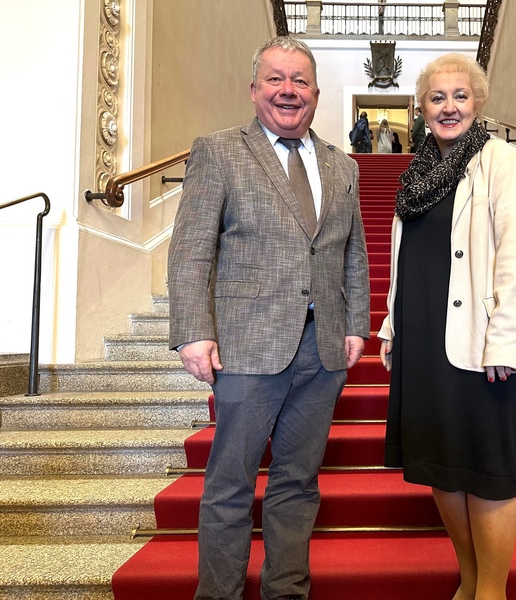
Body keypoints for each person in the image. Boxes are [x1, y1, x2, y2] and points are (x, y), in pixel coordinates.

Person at [168, 36, 370, 600]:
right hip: (246, 347)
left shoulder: (342, 164)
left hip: (323, 351)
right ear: (255, 89)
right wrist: (193, 330)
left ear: (316, 93)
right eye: (276, 79)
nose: (288, 91)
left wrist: (356, 323)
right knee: (230, 484)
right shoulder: (218, 152)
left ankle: (287, 591)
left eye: (299, 80)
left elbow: (353, 252)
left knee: (297, 484)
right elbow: (190, 249)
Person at [378, 53, 516, 600]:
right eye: (437, 98)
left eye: (460, 96)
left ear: (478, 102)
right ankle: (469, 580)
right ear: (421, 108)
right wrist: (391, 328)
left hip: (482, 341)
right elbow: (405, 260)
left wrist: (506, 338)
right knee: (442, 470)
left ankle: (491, 592)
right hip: (424, 340)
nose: (449, 107)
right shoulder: (416, 173)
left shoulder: (500, 161)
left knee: (488, 473)